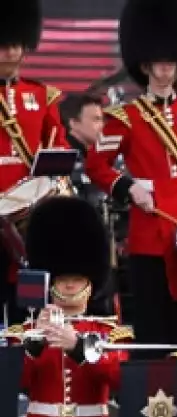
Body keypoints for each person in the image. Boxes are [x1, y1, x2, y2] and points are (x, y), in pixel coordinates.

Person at [86, 0, 177, 352]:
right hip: (149, 234)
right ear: (146, 64)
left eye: (170, 63)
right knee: (151, 330)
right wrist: (129, 187)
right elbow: (96, 165)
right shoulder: (127, 117)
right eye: (159, 64)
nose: (165, 71)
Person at [9, 197, 130, 417]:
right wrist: (33, 344)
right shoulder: (28, 331)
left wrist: (79, 348)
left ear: (90, 283)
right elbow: (14, 381)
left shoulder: (111, 334)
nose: (69, 287)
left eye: (76, 279)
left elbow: (121, 377)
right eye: (62, 279)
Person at [0, 0, 65, 320]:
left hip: (26, 216)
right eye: (3, 45)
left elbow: (60, 147)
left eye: (14, 45)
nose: (9, 53)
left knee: (25, 303)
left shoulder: (43, 96)